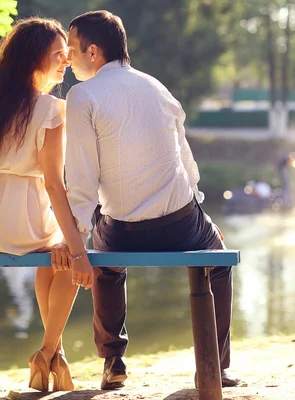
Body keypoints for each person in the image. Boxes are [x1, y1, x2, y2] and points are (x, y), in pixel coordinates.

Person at [64, 10, 241, 390]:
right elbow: (186, 163)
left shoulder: (82, 95)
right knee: (219, 257)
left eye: (71, 49)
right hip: (181, 224)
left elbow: (81, 179)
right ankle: (217, 366)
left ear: (93, 52)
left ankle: (113, 361)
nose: (67, 58)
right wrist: (201, 217)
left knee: (106, 263)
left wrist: (76, 237)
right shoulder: (158, 87)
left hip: (123, 232)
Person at [0, 17, 93, 392]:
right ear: (33, 59)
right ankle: (47, 352)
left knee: (54, 256)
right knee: (66, 253)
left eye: (67, 54)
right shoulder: (50, 109)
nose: (65, 62)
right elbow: (53, 185)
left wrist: (67, 244)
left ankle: (53, 357)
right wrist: (78, 251)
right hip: (20, 220)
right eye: (58, 55)